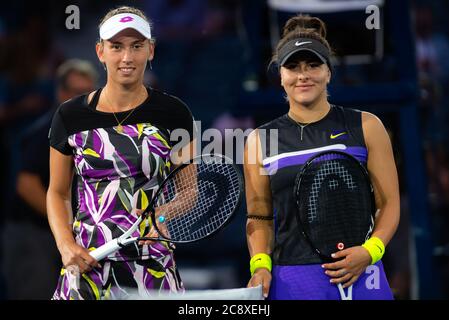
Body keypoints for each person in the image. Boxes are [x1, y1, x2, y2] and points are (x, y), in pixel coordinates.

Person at [244, 15, 400, 300]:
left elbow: (388, 203)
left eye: (313, 65)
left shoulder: (366, 126)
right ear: (281, 76)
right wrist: (260, 266)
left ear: (328, 72)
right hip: (293, 279)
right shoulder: (259, 140)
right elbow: (259, 215)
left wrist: (370, 251)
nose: (303, 75)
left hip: (363, 273)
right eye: (293, 66)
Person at [47, 6, 196, 300]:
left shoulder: (174, 113)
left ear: (150, 50)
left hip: (151, 266)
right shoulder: (69, 115)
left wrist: (161, 216)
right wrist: (66, 246)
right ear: (100, 52)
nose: (127, 58)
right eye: (116, 47)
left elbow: (189, 191)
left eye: (136, 46)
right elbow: (57, 192)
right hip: (87, 264)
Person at [1, 59, 97, 299]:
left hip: (54, 236)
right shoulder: (48, 130)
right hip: (31, 234)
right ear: (61, 92)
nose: (83, 99)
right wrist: (65, 223)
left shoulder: (85, 131)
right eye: (76, 92)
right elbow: (26, 184)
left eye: (89, 93)